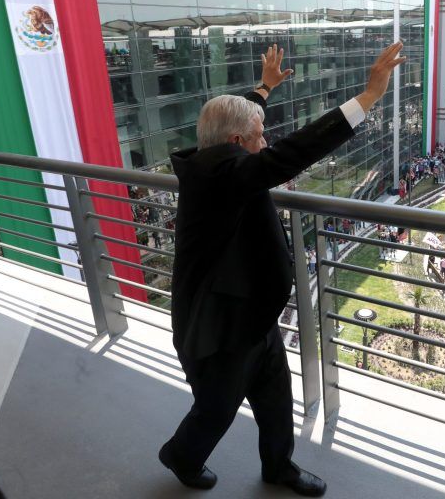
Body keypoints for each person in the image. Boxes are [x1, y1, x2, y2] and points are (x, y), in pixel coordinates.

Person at [159, 42, 406, 496]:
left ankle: (279, 468)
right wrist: (369, 96)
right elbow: (294, 151)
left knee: (275, 397)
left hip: (250, 314)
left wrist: (264, 89)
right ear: (238, 145)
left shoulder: (217, 159)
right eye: (259, 136)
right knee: (217, 408)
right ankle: (180, 454)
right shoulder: (227, 176)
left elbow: (243, 126)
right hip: (221, 328)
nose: (265, 141)